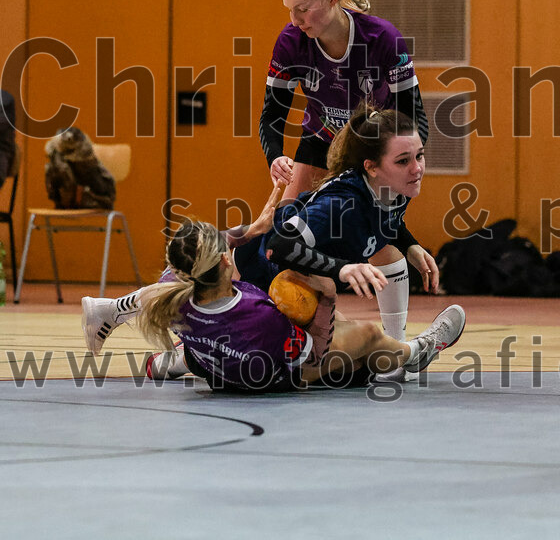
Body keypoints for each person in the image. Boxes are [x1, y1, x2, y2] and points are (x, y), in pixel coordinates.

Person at [84, 104, 439, 384]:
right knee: (355, 346)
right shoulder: (339, 206)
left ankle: (161, 354)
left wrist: (410, 244)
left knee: (387, 258)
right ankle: (410, 351)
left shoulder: (398, 185)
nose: (417, 168)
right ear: (372, 167)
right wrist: (342, 268)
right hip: (267, 270)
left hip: (284, 266)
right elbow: (279, 245)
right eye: (405, 160)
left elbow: (387, 222)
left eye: (420, 156)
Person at [135, 219, 465, 393]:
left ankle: (175, 360)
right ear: (224, 259)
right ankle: (419, 352)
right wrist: (327, 295)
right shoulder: (258, 315)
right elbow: (317, 352)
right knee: (364, 338)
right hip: (269, 379)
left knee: (208, 347)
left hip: (215, 370)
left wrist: (255, 226)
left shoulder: (170, 290)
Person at [261, 0, 428, 202]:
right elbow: (272, 114)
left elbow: (415, 118)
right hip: (321, 141)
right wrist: (275, 157)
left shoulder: (383, 39)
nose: (294, 21)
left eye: (302, 9)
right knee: (286, 231)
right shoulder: (290, 42)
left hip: (375, 149)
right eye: (289, 10)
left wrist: (397, 164)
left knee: (363, 236)